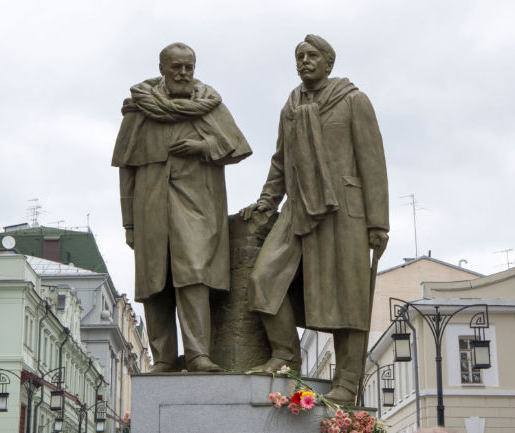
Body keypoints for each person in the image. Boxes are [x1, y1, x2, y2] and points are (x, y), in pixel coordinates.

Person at [241, 34, 389, 404]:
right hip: (297, 207)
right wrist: (265, 202)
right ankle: (285, 356)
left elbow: (373, 163)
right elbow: (280, 161)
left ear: (328, 63)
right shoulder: (290, 107)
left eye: (311, 56)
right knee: (264, 277)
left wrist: (378, 222)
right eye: (299, 56)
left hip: (345, 211)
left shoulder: (354, 101)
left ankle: (347, 381)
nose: (304, 61)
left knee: (347, 298)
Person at [113, 42, 252, 372]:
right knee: (154, 282)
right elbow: (126, 170)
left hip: (196, 205)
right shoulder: (140, 110)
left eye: (189, 67)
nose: (184, 73)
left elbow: (237, 147)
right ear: (162, 68)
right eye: (176, 67)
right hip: (150, 208)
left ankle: (197, 353)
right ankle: (162, 357)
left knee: (193, 277)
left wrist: (201, 146)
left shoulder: (208, 105)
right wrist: (129, 223)